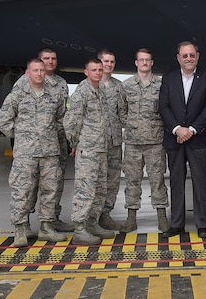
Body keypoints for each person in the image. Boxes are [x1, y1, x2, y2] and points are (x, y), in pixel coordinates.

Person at [0, 59, 68, 246]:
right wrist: (22, 136)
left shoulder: (55, 94)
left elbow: (61, 119)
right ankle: (20, 228)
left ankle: (46, 227)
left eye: (42, 70)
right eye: (35, 70)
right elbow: (3, 121)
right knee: (22, 190)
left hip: (50, 152)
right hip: (25, 154)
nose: (39, 73)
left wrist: (50, 133)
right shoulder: (17, 95)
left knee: (50, 190)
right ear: (27, 73)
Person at [158, 41, 206, 239]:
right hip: (174, 138)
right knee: (176, 182)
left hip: (197, 138)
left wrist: (191, 129)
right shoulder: (169, 78)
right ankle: (177, 224)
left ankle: (202, 224)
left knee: (201, 182)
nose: (189, 59)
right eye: (185, 56)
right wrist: (177, 129)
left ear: (197, 57)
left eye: (192, 55)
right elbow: (163, 107)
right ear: (178, 58)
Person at [64, 58, 116, 245]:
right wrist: (75, 143)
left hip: (101, 150)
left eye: (100, 70)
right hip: (88, 150)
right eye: (94, 70)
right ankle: (79, 228)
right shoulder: (82, 92)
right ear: (86, 72)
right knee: (84, 190)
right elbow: (70, 121)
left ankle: (93, 223)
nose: (98, 73)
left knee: (100, 189)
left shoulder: (100, 91)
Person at [118, 48, 170, 233]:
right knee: (132, 181)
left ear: (152, 62)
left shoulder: (161, 84)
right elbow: (122, 111)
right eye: (141, 60)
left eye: (147, 60)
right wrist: (133, 125)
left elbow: (166, 109)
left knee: (158, 180)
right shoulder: (126, 86)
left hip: (155, 142)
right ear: (136, 62)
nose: (145, 63)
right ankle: (131, 218)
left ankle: (162, 217)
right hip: (133, 143)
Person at [97, 49, 124, 232]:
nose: (109, 65)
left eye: (112, 62)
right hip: (95, 143)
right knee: (95, 181)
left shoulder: (118, 86)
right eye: (105, 61)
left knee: (112, 181)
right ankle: (93, 217)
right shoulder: (90, 85)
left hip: (114, 142)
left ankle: (105, 215)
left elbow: (122, 113)